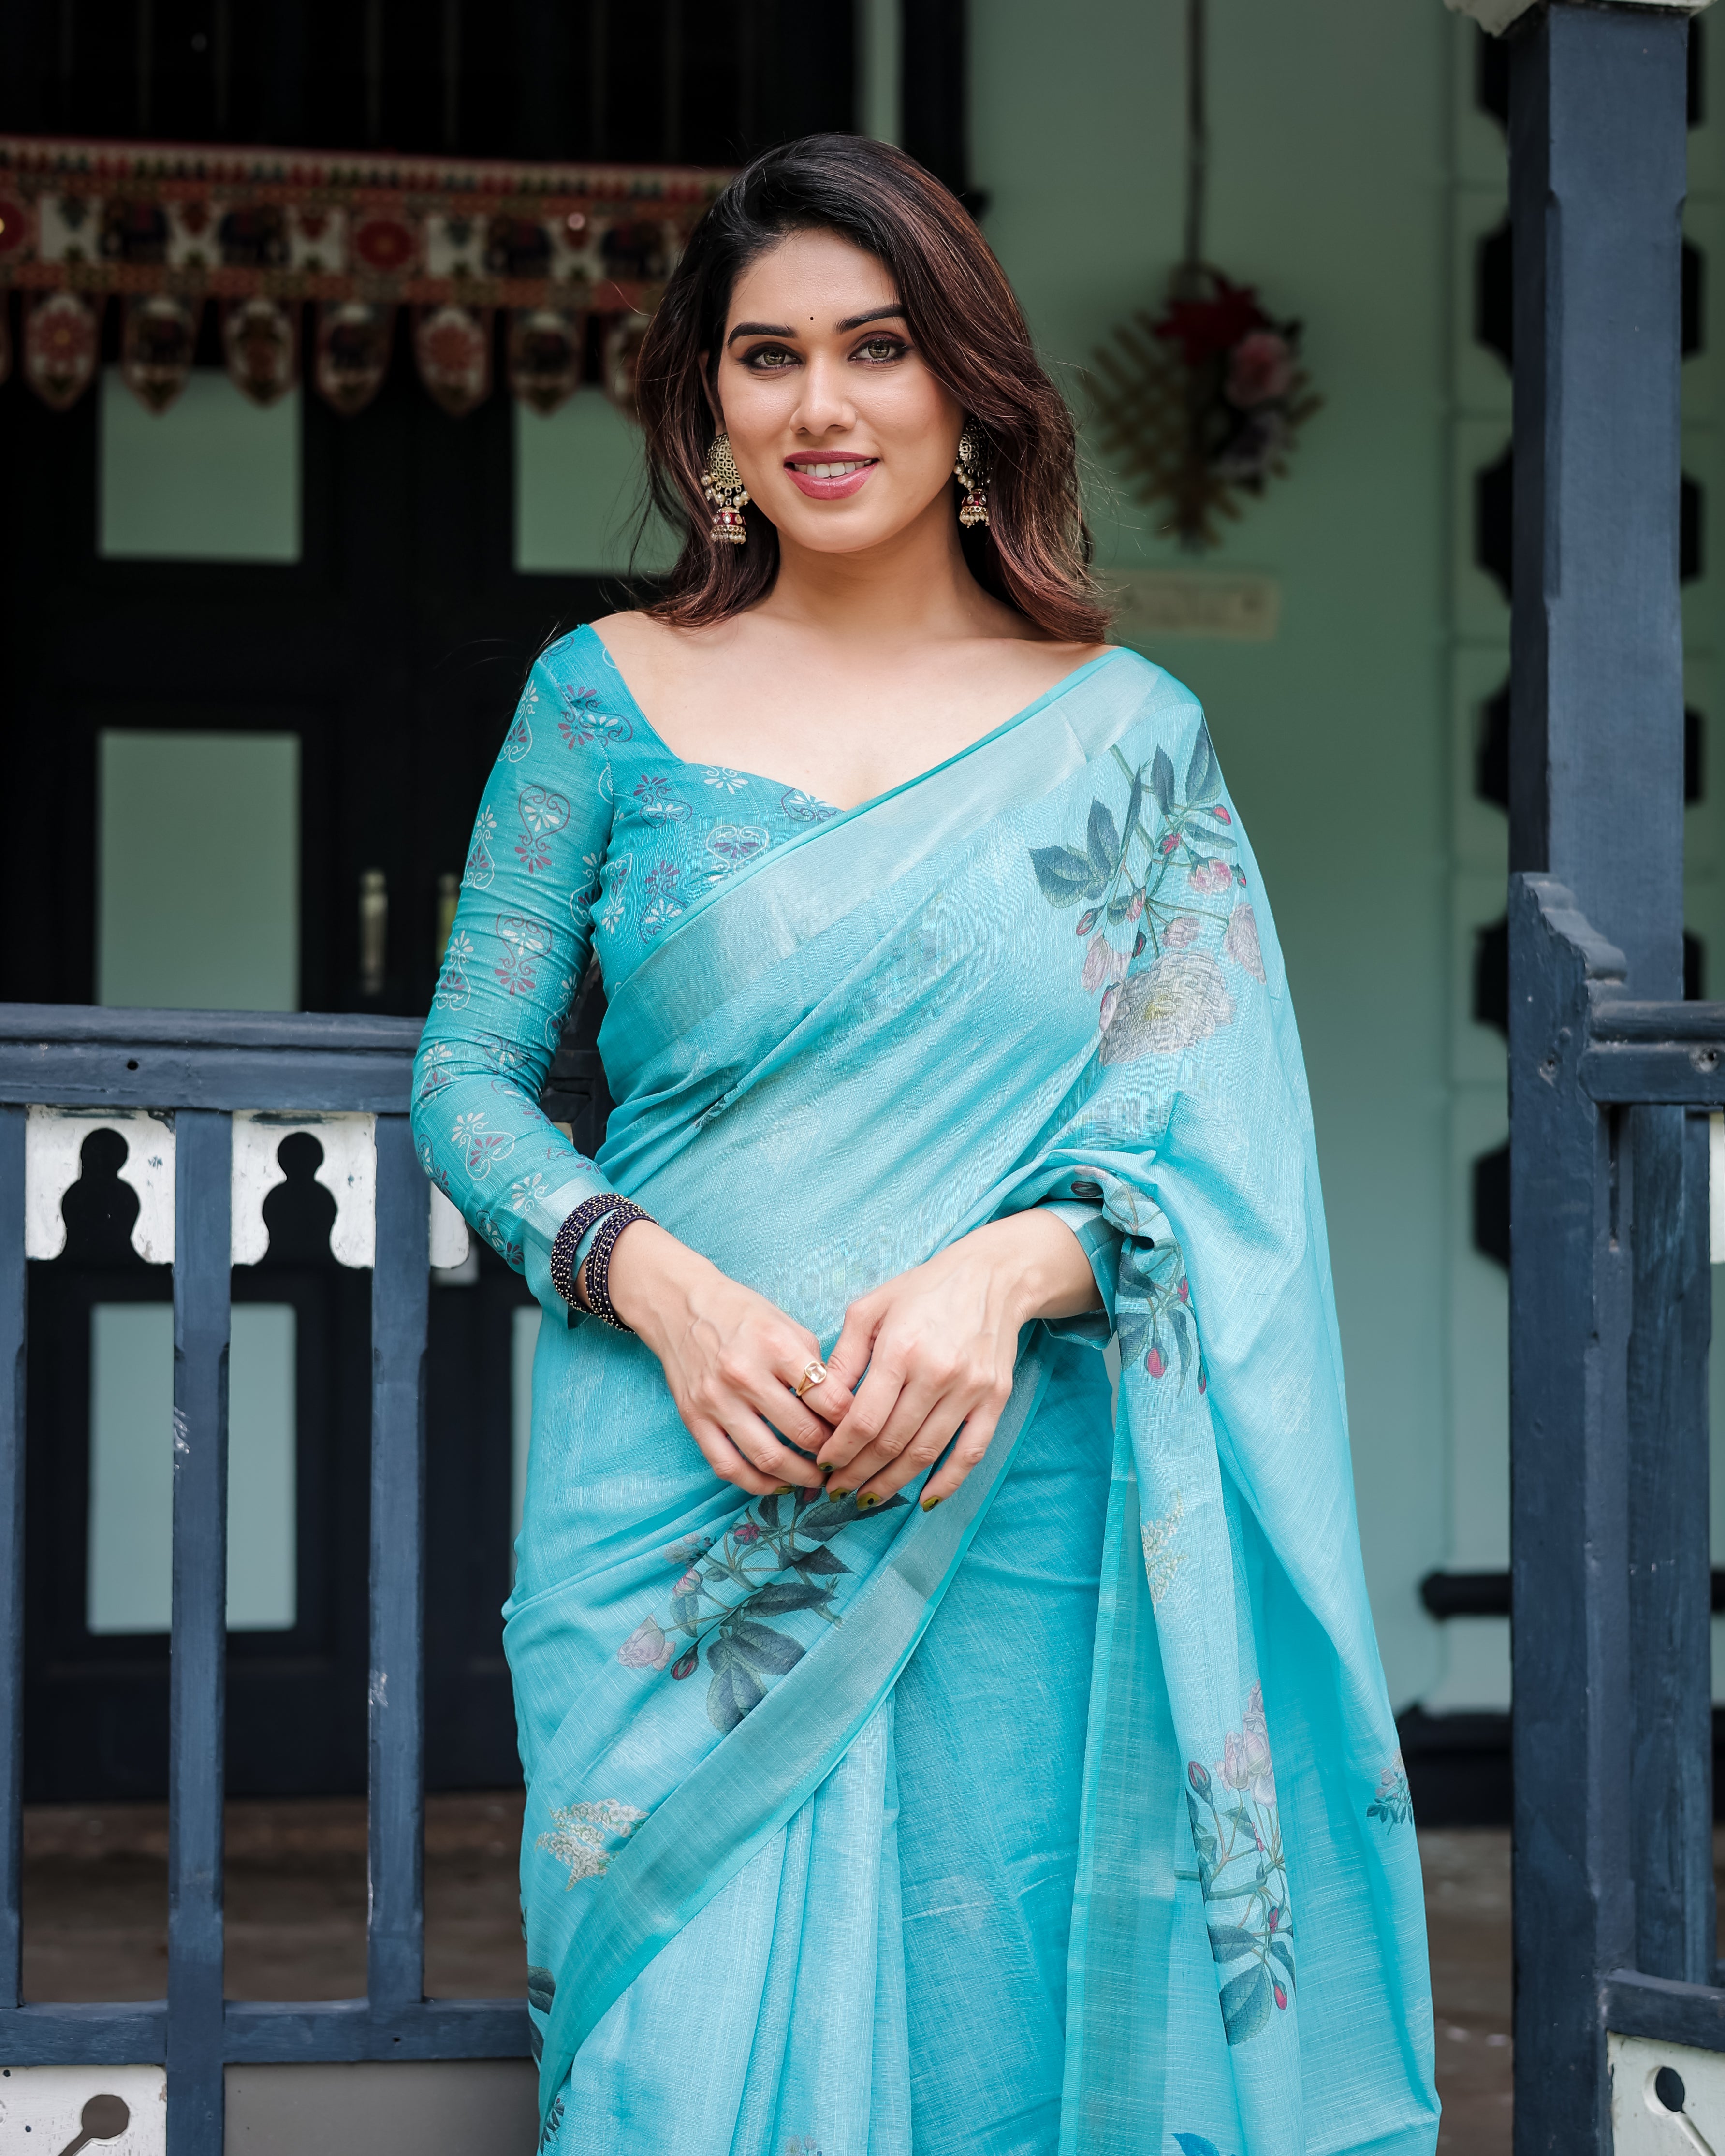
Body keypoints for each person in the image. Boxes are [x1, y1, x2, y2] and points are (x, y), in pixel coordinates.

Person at [412, 132, 1437, 2156]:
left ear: (966, 384)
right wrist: (653, 1276)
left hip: (1019, 1493)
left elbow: (1215, 1149)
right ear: (706, 401)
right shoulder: (601, 703)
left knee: (1018, 2040)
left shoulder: (1126, 734)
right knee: (674, 2062)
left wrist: (1008, 1268)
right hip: (681, 1507)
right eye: (766, 355)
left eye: (875, 347)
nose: (821, 404)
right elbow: (466, 1077)